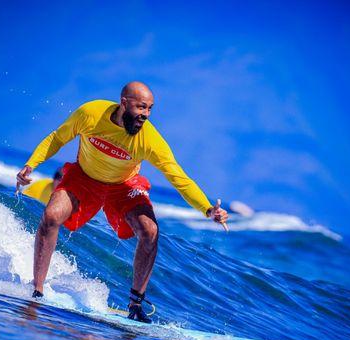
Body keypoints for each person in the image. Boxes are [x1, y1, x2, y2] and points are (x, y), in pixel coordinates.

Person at [17, 81, 228, 323]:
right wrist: (31, 165)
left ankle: (136, 305)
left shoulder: (149, 140)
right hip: (83, 178)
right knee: (52, 216)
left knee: (150, 231)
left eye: (150, 109)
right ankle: (37, 290)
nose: (145, 115)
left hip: (123, 187)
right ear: (124, 103)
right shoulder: (91, 114)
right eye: (141, 108)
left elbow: (178, 177)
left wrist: (208, 209)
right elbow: (57, 138)